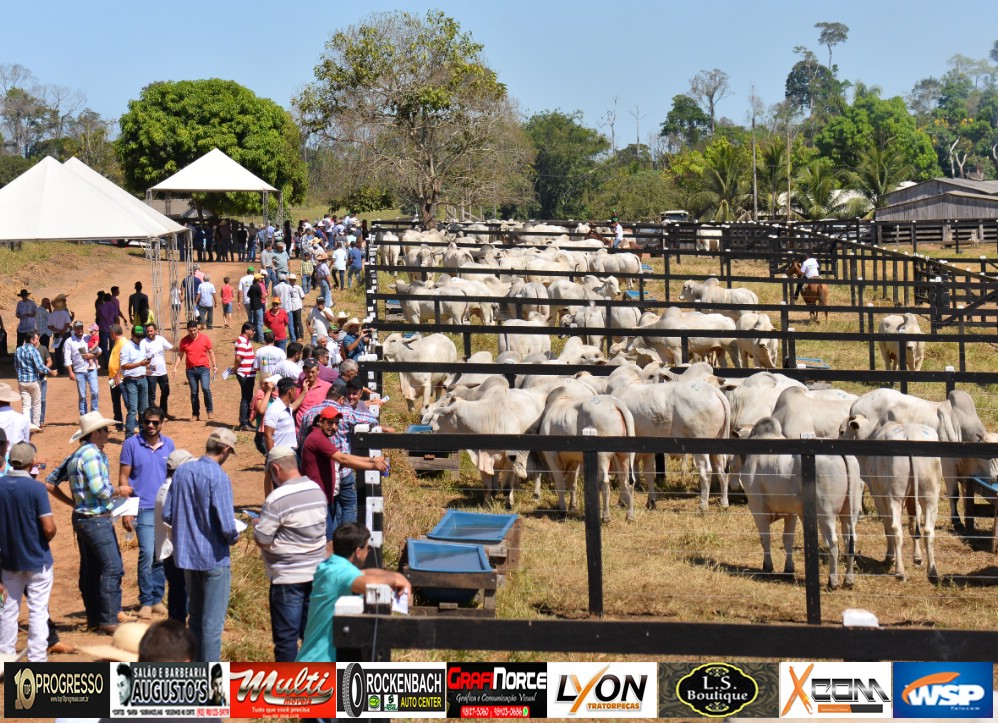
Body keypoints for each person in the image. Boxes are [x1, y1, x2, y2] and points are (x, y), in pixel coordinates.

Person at [47, 412, 129, 634]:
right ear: (96, 433)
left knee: (91, 570)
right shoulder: (92, 455)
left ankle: (95, 618)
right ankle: (109, 619)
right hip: (96, 519)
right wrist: (119, 491)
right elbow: (100, 490)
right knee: (112, 567)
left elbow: (50, 481)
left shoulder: (78, 454)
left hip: (84, 517)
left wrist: (74, 503)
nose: (108, 433)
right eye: (105, 430)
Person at [162, 428, 240, 662]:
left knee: (195, 618)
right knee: (212, 626)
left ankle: (195, 673)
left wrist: (190, 525)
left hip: (188, 558)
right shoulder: (219, 477)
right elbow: (227, 527)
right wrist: (235, 537)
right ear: (225, 450)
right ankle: (211, 685)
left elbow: (167, 513)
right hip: (214, 559)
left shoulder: (183, 470)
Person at [297, 523, 410, 662]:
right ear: (358, 551)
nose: (368, 551)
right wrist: (395, 579)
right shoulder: (342, 574)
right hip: (323, 665)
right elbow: (371, 584)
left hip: (310, 658)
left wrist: (395, 576)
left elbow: (365, 573)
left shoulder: (328, 567)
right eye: (367, 548)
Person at [254, 446, 327, 661]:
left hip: (287, 577)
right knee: (311, 635)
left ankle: (288, 688)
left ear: (275, 468)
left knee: (286, 639)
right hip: (316, 574)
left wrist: (259, 525)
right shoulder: (316, 490)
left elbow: (263, 539)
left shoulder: (277, 499)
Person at [0, 443, 56, 661]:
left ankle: (4, 657)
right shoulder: (36, 489)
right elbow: (49, 528)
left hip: (9, 561)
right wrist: (45, 538)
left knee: (8, 610)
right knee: (38, 611)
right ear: (31, 463)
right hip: (37, 559)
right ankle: (36, 660)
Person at [119, 405, 175, 619]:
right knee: (146, 553)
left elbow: (173, 476)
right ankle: (146, 600)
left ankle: (157, 599)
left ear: (162, 423)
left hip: (165, 507)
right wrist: (126, 510)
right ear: (141, 423)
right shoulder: (131, 445)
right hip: (142, 508)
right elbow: (123, 478)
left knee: (161, 554)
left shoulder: (169, 444)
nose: (150, 426)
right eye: (147, 422)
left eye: (155, 422)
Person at [301, 405, 388, 537]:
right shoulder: (317, 438)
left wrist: (373, 460)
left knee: (327, 540)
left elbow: (345, 457)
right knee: (326, 542)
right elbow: (343, 459)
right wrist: (373, 465)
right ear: (320, 422)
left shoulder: (321, 437)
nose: (334, 427)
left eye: (336, 423)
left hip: (323, 498)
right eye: (330, 423)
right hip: (318, 500)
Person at [154, 449, 195, 624]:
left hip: (170, 548)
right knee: (179, 591)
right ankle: (176, 629)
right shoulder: (170, 490)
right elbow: (173, 520)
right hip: (173, 549)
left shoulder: (166, 487)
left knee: (178, 591)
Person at [172, 320, 217, 422]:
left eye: (194, 330)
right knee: (194, 392)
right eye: (190, 331)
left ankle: (210, 410)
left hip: (203, 368)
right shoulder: (184, 341)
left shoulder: (205, 338)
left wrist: (215, 365)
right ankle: (195, 414)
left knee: (206, 389)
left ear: (197, 329)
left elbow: (211, 352)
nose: (192, 332)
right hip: (190, 370)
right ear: (187, 330)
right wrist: (175, 368)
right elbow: (180, 355)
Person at [14, 331, 54, 432]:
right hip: (33, 380)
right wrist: (50, 371)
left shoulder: (18, 350)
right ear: (31, 340)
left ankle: (27, 425)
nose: (37, 340)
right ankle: (36, 425)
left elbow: (15, 365)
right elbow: (40, 366)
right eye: (36, 339)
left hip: (21, 381)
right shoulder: (33, 351)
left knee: (26, 404)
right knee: (36, 403)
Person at [119, 325, 151, 438]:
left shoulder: (142, 346)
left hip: (143, 379)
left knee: (143, 410)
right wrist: (140, 364)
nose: (140, 339)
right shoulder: (126, 347)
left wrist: (148, 366)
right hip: (131, 381)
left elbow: (143, 362)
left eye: (141, 336)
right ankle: (129, 435)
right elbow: (124, 365)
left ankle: (143, 434)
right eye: (138, 337)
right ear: (132, 335)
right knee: (132, 409)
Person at [64, 320, 100, 415]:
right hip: (79, 370)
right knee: (82, 395)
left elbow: (99, 350)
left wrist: (91, 356)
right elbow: (67, 358)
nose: (80, 330)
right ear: (74, 329)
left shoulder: (89, 337)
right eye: (77, 328)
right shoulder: (69, 341)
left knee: (95, 392)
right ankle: (83, 415)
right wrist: (70, 372)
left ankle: (94, 413)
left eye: (81, 327)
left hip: (91, 369)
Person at [141, 323, 173, 418]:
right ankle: (153, 415)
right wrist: (146, 369)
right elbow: (141, 359)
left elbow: (171, 348)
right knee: (151, 395)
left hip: (162, 371)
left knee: (166, 392)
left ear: (155, 330)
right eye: (147, 331)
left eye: (151, 331)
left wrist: (182, 347)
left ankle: (163, 412)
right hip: (151, 373)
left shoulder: (160, 339)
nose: (149, 333)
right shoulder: (143, 342)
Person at [232, 322, 258, 432]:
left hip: (246, 373)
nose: (254, 332)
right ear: (246, 330)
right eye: (252, 330)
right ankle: (244, 422)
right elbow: (238, 358)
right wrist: (235, 368)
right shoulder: (243, 341)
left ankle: (246, 421)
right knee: (246, 398)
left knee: (247, 397)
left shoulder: (243, 340)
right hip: (245, 373)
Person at [106, 324, 127, 432]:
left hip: (120, 378)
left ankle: (132, 423)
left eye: (110, 333)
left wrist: (117, 376)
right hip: (113, 377)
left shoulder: (123, 343)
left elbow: (124, 361)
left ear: (113, 333)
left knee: (127, 401)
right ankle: (118, 424)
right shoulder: (117, 343)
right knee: (115, 401)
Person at [248, 272, 266, 342]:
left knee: (255, 322)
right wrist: (267, 295)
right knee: (260, 323)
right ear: (258, 279)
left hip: (253, 306)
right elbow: (262, 297)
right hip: (258, 306)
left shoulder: (252, 286)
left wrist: (254, 297)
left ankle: (255, 337)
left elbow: (248, 294)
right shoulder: (258, 286)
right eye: (261, 278)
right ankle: (261, 338)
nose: (261, 279)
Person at [287, 273, 306, 341]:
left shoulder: (298, 287)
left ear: (295, 280)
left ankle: (301, 336)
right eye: (290, 280)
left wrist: (299, 302)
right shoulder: (288, 287)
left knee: (298, 321)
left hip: (297, 306)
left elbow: (303, 296)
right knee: (293, 322)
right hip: (291, 307)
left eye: (292, 280)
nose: (291, 281)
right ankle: (295, 336)